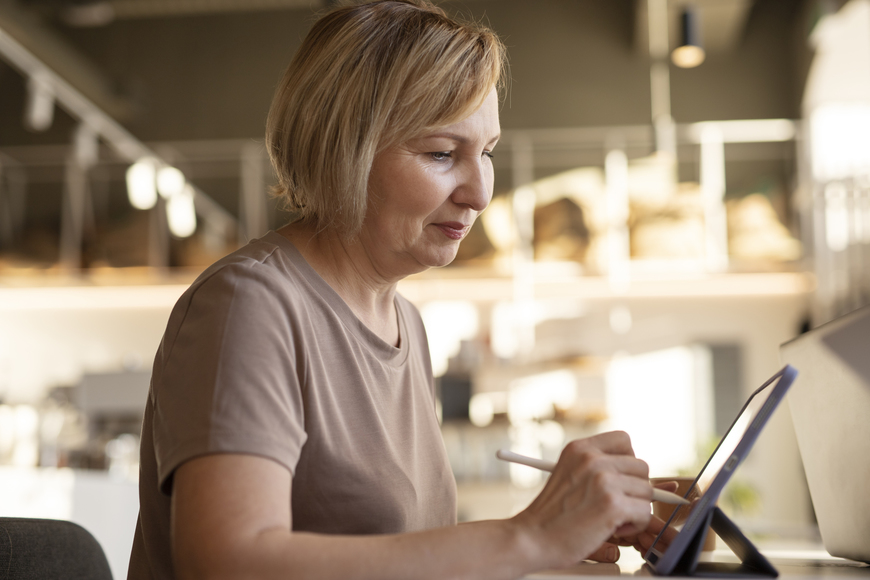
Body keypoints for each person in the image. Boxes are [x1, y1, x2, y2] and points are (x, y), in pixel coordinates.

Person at [127, 1, 674, 578]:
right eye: (442, 154)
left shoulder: (405, 321)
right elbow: (229, 561)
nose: (480, 193)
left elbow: (393, 549)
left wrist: (560, 532)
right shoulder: (250, 304)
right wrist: (526, 539)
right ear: (343, 149)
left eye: (486, 153)